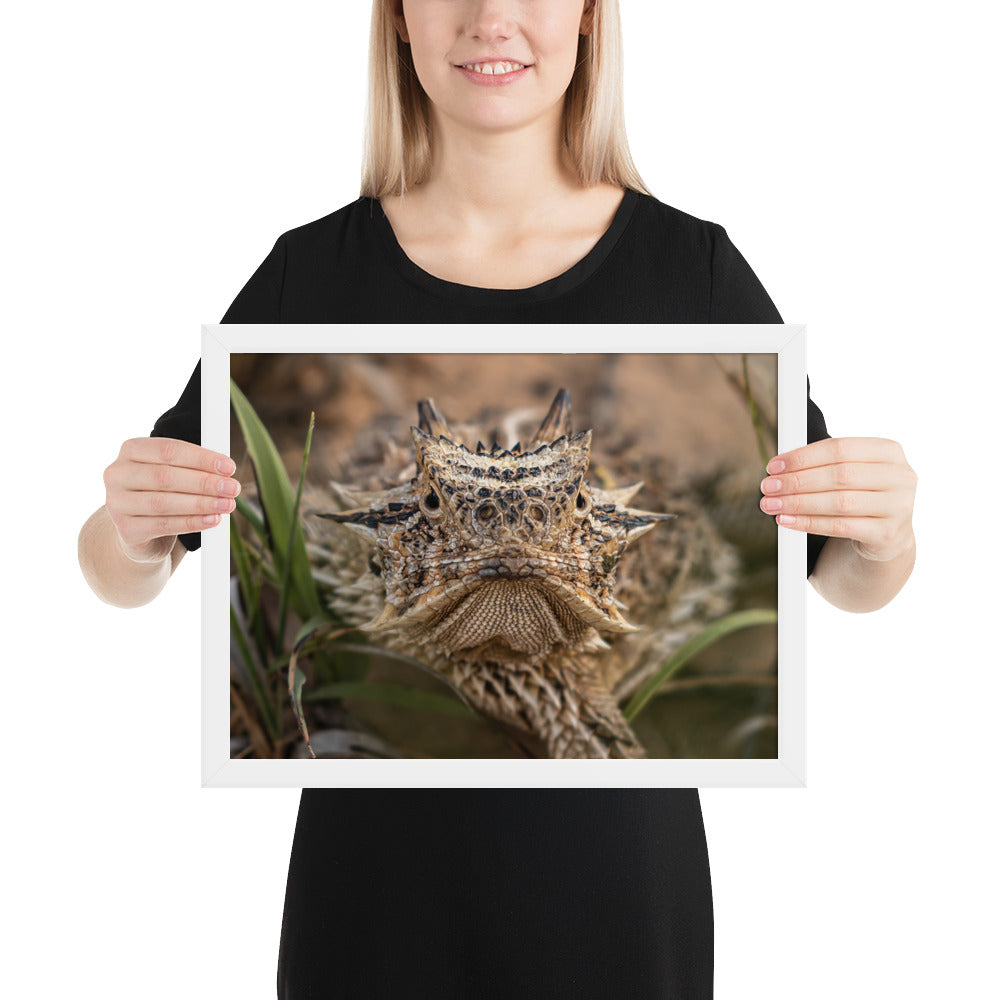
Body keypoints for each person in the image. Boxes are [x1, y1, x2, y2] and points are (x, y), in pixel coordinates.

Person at [78, 1, 917, 996]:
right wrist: (132, 531)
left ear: (591, 18)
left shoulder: (691, 271)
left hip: (620, 892)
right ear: (396, 20)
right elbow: (123, 564)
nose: (492, 19)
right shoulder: (311, 273)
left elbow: (841, 574)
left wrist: (882, 531)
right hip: (373, 893)